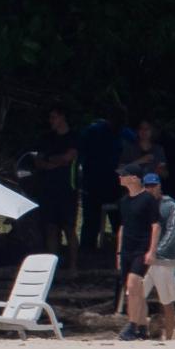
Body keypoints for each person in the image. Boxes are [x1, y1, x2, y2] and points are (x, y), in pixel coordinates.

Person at [115, 163, 161, 341]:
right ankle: (142, 326)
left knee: (134, 284)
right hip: (127, 249)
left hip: (142, 249)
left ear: (134, 178)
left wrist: (152, 250)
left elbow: (155, 226)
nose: (120, 177)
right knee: (134, 290)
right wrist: (118, 253)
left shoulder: (148, 199)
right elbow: (123, 227)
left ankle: (132, 325)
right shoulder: (124, 201)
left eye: (123, 175)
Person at [78, 107, 132, 251]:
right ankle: (87, 252)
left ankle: (121, 250)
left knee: (119, 221)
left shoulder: (125, 133)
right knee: (91, 223)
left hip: (116, 185)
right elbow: (80, 154)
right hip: (94, 183)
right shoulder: (93, 132)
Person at [34, 105, 79, 273]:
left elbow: (68, 158)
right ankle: (52, 267)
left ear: (62, 117)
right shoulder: (46, 138)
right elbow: (38, 161)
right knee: (50, 228)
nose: (51, 121)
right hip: (48, 189)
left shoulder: (73, 137)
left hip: (67, 189)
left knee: (69, 227)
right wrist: (52, 162)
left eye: (54, 117)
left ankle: (73, 266)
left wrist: (51, 160)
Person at [141, 173, 175, 340]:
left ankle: (170, 336)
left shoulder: (170, 206)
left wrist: (156, 251)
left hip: (164, 260)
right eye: (148, 186)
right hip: (144, 259)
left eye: (153, 185)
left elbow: (172, 231)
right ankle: (140, 330)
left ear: (159, 186)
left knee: (166, 299)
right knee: (137, 295)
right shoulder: (144, 205)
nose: (151, 189)